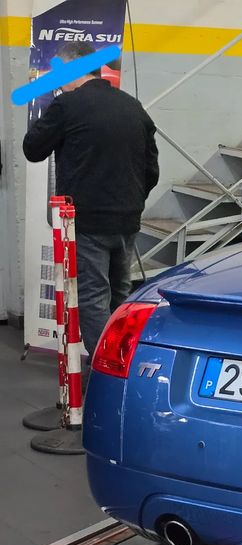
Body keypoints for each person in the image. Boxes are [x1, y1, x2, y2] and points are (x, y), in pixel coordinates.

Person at [23, 41, 159, 359]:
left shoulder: (67, 106)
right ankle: (121, 364)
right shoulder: (132, 106)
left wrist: (51, 108)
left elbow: (33, 148)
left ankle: (105, 372)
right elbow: (151, 168)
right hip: (127, 220)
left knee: (93, 299)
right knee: (119, 297)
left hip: (88, 223)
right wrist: (131, 200)